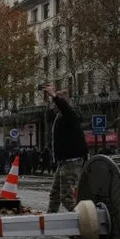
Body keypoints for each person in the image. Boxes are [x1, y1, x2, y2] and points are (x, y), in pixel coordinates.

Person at [43, 84, 87, 213]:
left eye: (55, 104)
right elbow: (47, 118)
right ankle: (50, 221)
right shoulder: (59, 117)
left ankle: (84, 222)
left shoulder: (70, 115)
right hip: (63, 161)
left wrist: (54, 95)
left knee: (66, 197)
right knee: (54, 194)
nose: (53, 106)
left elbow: (65, 107)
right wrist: (50, 100)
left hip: (71, 160)